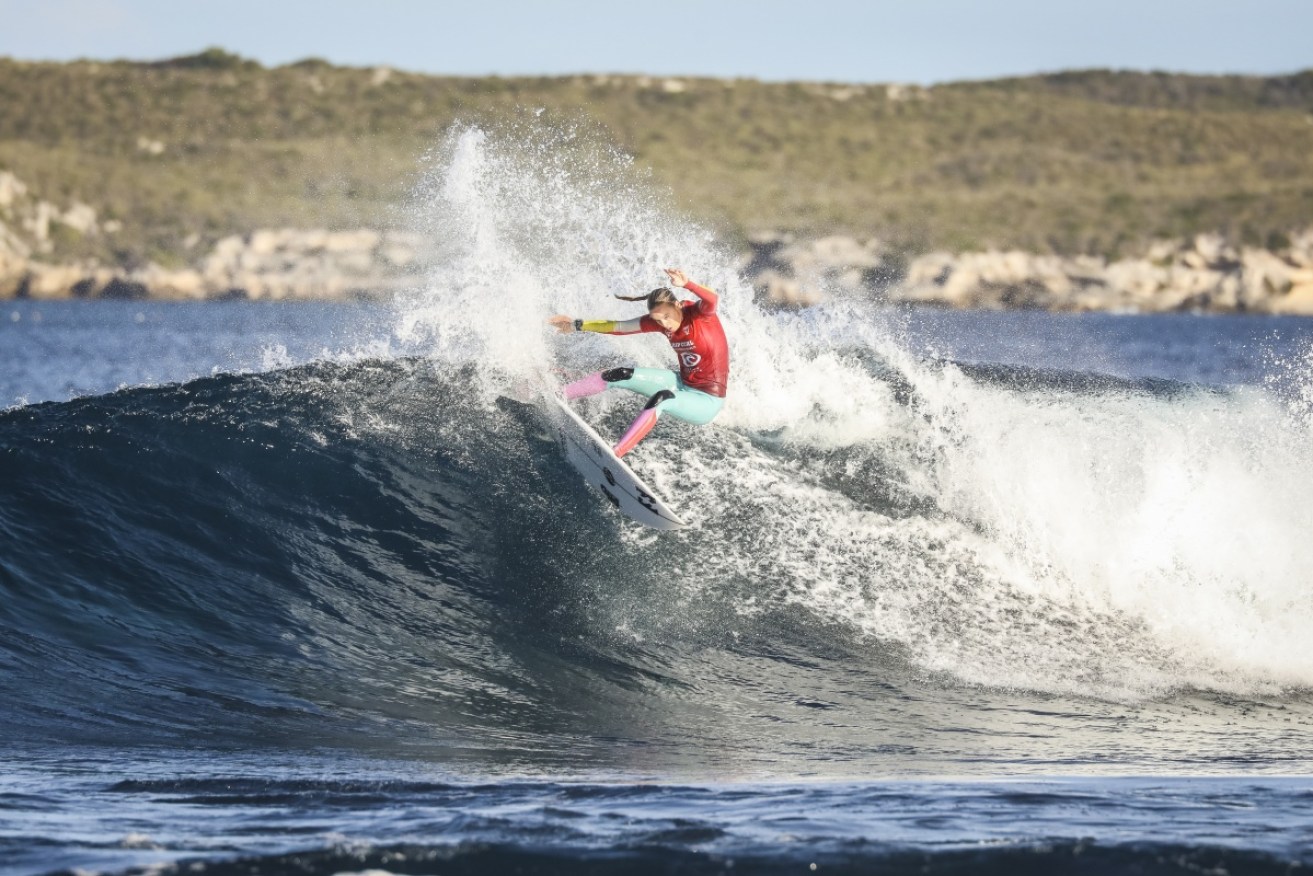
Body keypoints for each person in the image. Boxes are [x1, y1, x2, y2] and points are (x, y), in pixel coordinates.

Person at [548, 268, 729, 457]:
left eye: (667, 317)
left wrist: (688, 284)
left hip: (707, 400)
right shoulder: (659, 322)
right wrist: (575, 325)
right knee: (619, 374)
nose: (665, 324)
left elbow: (713, 299)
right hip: (682, 382)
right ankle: (558, 395)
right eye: (658, 320)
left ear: (677, 305)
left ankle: (616, 453)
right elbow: (618, 326)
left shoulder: (700, 315)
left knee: (663, 398)